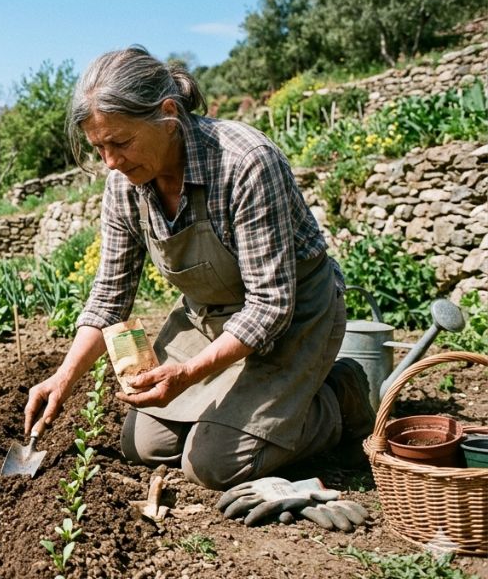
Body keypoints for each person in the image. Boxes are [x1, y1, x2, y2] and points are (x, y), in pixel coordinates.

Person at [23, 46, 374, 491]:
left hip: (294, 317)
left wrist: (188, 375)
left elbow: (271, 306)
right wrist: (63, 377)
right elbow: (110, 297)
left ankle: (339, 402)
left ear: (168, 114)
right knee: (145, 445)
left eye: (121, 142)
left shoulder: (244, 162)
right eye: (99, 148)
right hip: (209, 317)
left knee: (214, 465)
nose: (111, 161)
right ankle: (246, 415)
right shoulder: (125, 186)